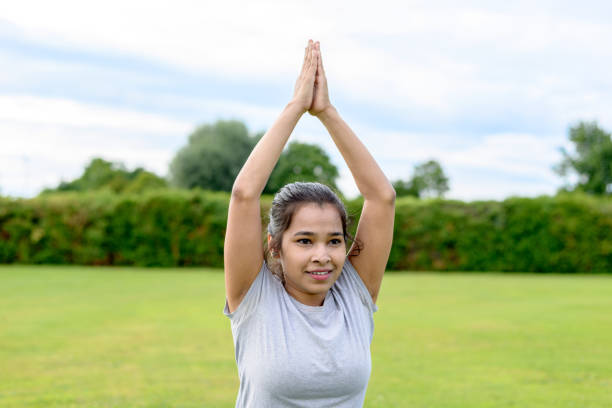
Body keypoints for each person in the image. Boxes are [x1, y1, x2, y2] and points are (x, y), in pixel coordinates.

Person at [223, 39, 396, 407]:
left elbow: (382, 198)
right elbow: (243, 196)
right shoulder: (255, 297)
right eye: (304, 241)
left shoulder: (354, 294)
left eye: (334, 240)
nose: (323, 255)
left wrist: (327, 112)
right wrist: (295, 108)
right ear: (274, 245)